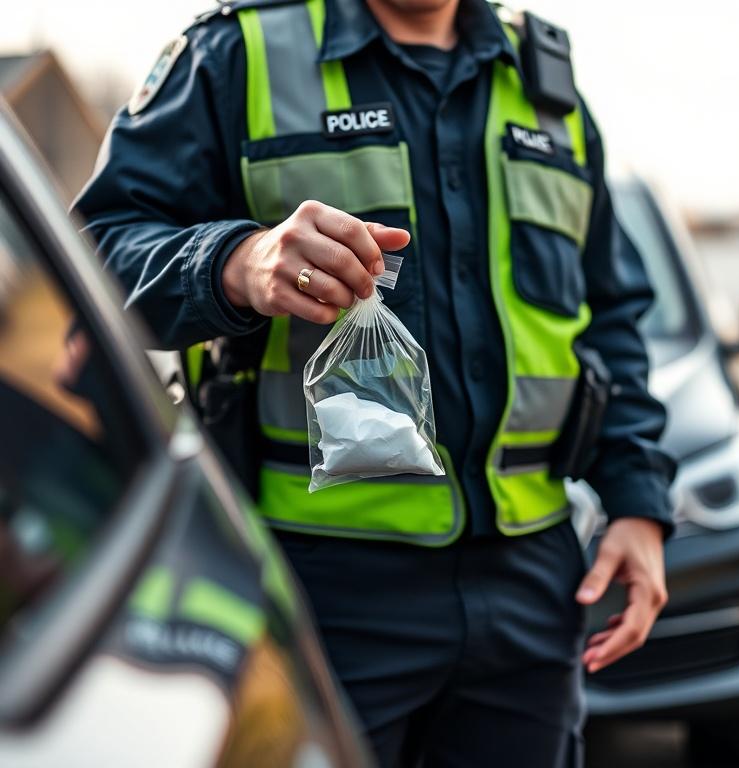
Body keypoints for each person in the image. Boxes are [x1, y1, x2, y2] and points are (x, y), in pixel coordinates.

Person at [74, 0, 675, 764]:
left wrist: (637, 501)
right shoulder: (234, 55)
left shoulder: (544, 80)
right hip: (320, 589)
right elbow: (92, 254)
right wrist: (237, 264)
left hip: (533, 585)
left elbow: (610, 314)